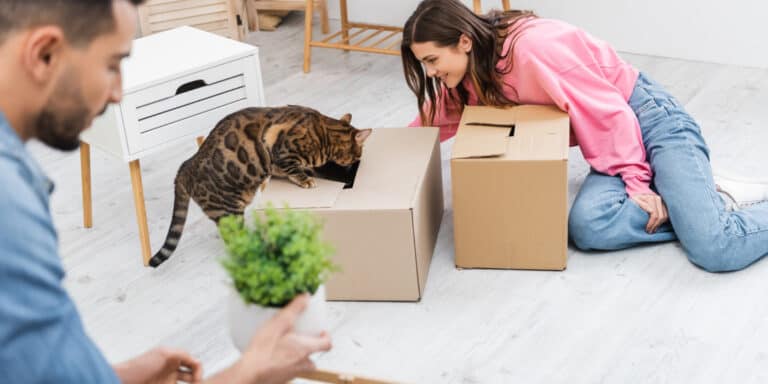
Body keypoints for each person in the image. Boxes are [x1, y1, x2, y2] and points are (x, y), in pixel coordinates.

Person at [0, 1, 331, 383]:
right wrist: (248, 373)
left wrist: (112, 376)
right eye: (112, 65)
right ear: (44, 54)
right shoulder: (9, 201)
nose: (118, 94)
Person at [401, 0, 768, 272]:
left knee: (716, 247)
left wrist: (638, 183)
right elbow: (437, 118)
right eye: (424, 64)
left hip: (649, 120)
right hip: (613, 140)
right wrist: (385, 146)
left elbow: (610, 112)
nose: (430, 72)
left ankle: (698, 209)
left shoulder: (532, 50)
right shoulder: (473, 72)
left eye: (432, 60)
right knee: (588, 227)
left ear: (463, 41)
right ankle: (697, 200)